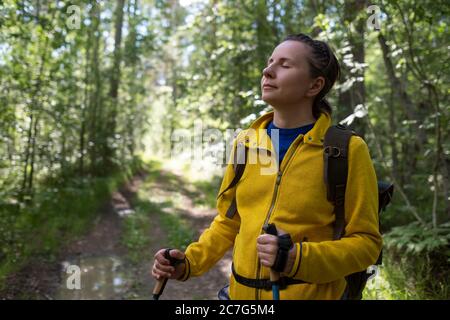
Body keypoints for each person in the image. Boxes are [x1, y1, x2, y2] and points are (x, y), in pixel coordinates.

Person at [151, 33, 382, 300]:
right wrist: (188, 263)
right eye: (270, 61)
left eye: (285, 65)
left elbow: (367, 244)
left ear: (314, 85)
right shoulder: (246, 144)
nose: (267, 70)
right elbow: (228, 222)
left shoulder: (346, 150)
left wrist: (296, 259)